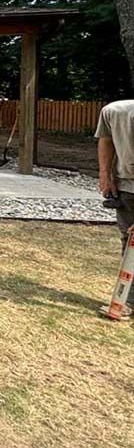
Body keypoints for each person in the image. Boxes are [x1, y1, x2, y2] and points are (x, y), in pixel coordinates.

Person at [95, 99, 134, 319]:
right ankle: (127, 301)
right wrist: (105, 175)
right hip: (127, 187)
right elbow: (106, 140)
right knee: (130, 245)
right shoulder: (113, 111)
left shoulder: (115, 110)